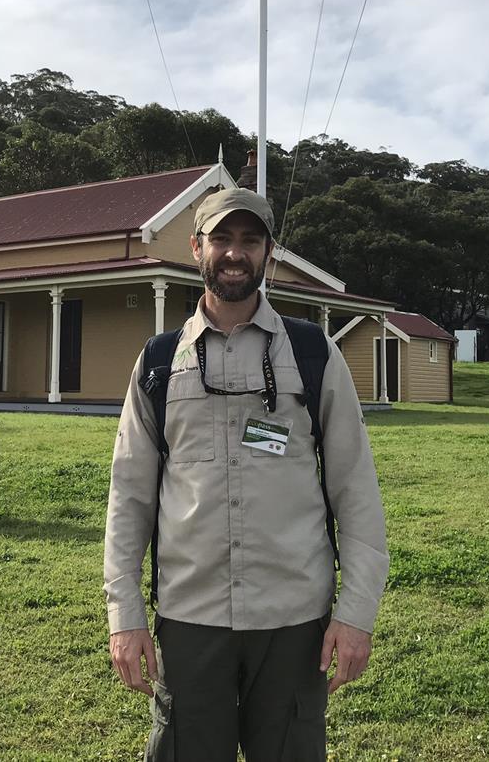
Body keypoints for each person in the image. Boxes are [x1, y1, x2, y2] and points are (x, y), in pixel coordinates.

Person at [103, 187, 390, 761]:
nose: (235, 253)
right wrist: (124, 615)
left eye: (250, 241)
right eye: (222, 239)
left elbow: (354, 490)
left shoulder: (314, 355)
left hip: (292, 622)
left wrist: (356, 616)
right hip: (190, 619)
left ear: (269, 253)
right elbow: (130, 495)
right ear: (196, 248)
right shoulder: (159, 362)